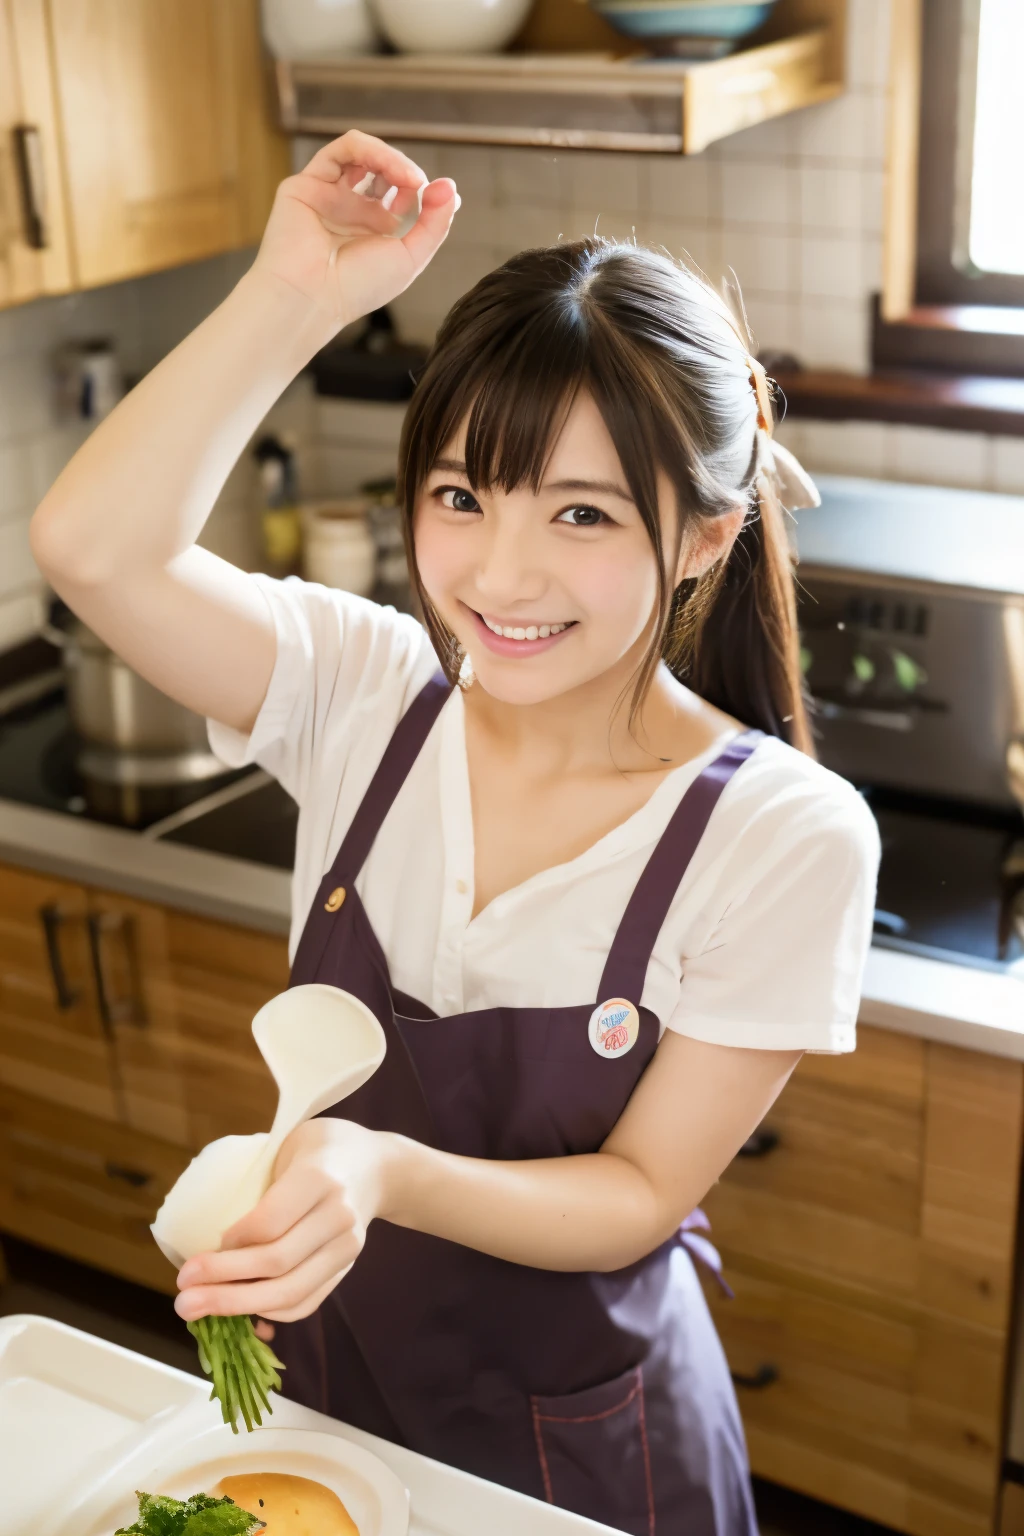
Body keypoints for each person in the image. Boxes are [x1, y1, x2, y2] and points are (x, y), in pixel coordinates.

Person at [30, 132, 880, 1536]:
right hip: (331, 1387)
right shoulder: (365, 695)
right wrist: (295, 295)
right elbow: (91, 549)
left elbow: (640, 1193)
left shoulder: (785, 836)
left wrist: (382, 1169)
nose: (501, 573)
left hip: (589, 1444)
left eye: (585, 512)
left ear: (707, 540)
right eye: (461, 496)